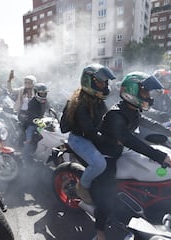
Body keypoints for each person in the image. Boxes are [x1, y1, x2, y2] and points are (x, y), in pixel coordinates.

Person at [90, 72, 171, 240]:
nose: (148, 96)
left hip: (122, 150)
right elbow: (129, 140)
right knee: (106, 193)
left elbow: (149, 122)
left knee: (148, 170)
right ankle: (100, 232)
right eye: (145, 92)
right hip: (107, 154)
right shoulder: (115, 114)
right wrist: (161, 157)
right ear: (132, 91)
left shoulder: (131, 109)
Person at [63, 63, 116, 204]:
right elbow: (90, 131)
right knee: (99, 164)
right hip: (79, 139)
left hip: (93, 137)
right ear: (89, 81)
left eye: (105, 82)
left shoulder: (97, 99)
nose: (104, 85)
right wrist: (110, 140)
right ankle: (83, 187)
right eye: (100, 82)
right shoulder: (80, 102)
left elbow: (106, 118)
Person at [21, 82, 49, 163]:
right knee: (28, 140)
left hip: (42, 123)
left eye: (45, 94)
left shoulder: (46, 101)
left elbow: (48, 109)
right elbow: (30, 115)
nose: (43, 96)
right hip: (32, 124)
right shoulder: (32, 102)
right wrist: (36, 120)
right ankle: (24, 158)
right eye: (41, 94)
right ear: (36, 93)